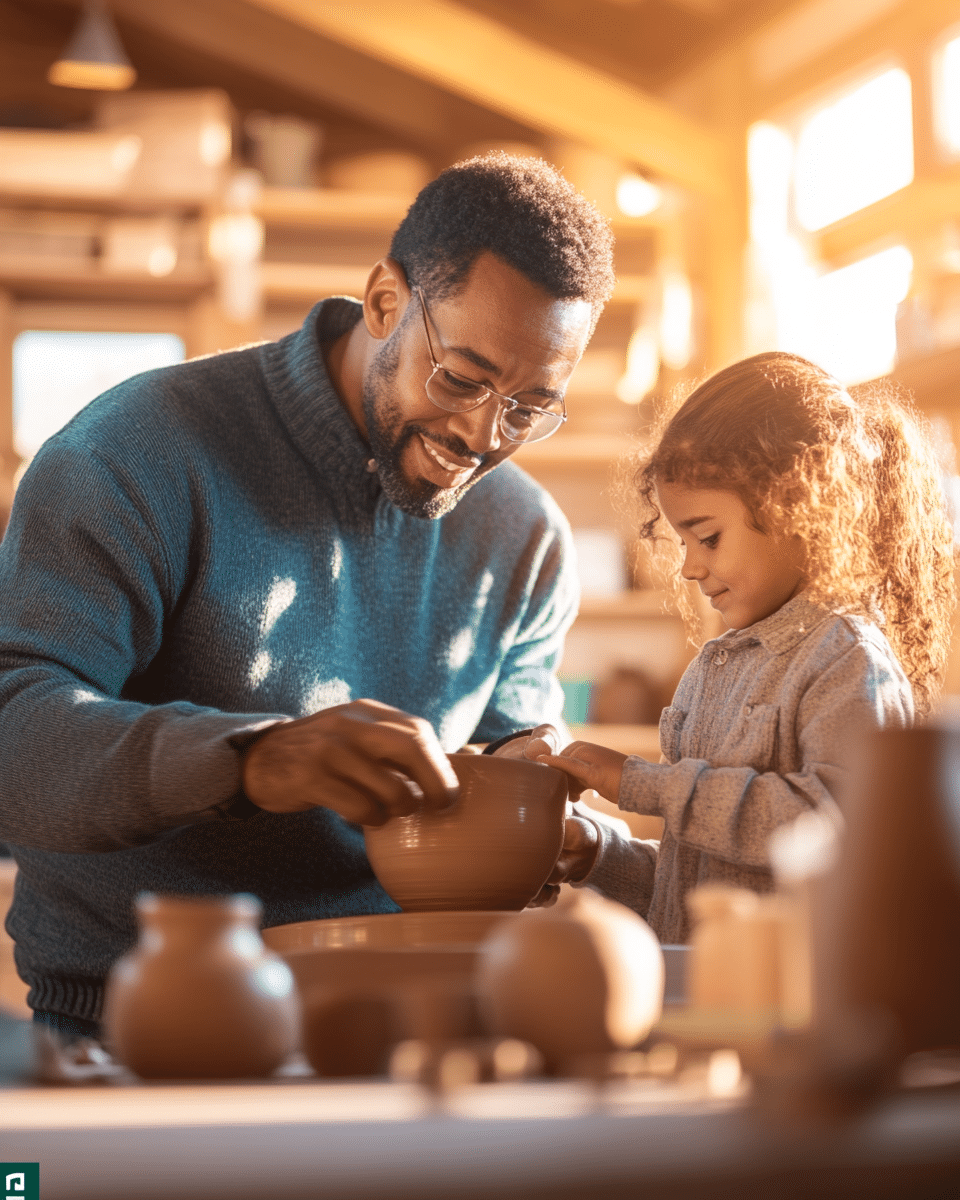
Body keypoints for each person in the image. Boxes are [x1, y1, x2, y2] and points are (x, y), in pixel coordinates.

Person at [0, 153, 615, 1035]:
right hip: (142, 1019)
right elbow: (12, 731)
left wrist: (528, 773)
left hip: (419, 1025)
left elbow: (502, 756)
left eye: (529, 406)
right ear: (384, 302)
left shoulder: (526, 539)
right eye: (464, 378)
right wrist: (255, 760)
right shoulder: (134, 454)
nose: (484, 435)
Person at [535, 351, 955, 942]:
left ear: (805, 508)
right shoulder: (716, 668)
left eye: (707, 537)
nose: (688, 568)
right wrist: (597, 854)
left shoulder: (846, 660)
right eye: (681, 542)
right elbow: (703, 888)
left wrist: (641, 781)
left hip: (792, 1010)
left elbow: (828, 830)